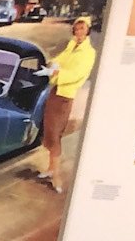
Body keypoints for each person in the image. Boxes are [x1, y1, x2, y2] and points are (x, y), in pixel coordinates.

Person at [36, 15, 98, 193]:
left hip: (65, 96)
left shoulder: (88, 52)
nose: (79, 32)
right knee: (49, 133)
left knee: (55, 135)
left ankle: (57, 176)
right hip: (56, 91)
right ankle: (50, 169)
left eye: (82, 28)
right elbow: (60, 59)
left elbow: (77, 74)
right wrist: (51, 64)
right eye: (76, 29)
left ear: (88, 30)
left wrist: (56, 73)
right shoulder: (72, 45)